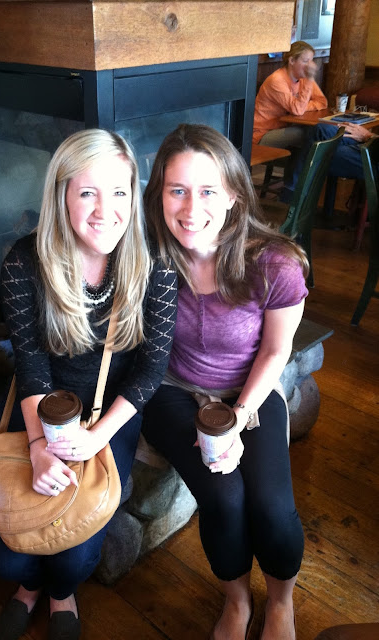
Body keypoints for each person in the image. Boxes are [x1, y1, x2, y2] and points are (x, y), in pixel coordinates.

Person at [0, 129, 177, 640]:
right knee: (7, 559)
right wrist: (38, 445)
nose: (105, 210)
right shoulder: (25, 262)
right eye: (88, 192)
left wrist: (97, 437)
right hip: (40, 403)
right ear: (62, 195)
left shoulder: (155, 263)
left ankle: (61, 592)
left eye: (119, 191)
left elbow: (151, 369)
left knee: (76, 556)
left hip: (110, 411)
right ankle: (29, 586)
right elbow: (31, 364)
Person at [143, 123, 309, 640]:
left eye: (208, 191)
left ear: (235, 194)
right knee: (223, 498)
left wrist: (238, 418)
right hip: (173, 389)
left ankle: (281, 601)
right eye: (177, 190)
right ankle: (237, 601)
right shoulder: (150, 256)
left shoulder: (275, 263)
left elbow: (277, 350)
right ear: (159, 194)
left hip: (248, 391)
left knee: (271, 507)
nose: (191, 208)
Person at [254, 41, 328, 201]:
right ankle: (293, 190)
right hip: (262, 134)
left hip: (282, 129)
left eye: (311, 60)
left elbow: (322, 102)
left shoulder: (303, 79)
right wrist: (309, 81)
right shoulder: (277, 80)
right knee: (308, 135)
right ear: (292, 60)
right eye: (305, 61)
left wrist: (303, 104)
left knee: (310, 137)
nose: (310, 66)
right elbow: (297, 110)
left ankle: (293, 188)